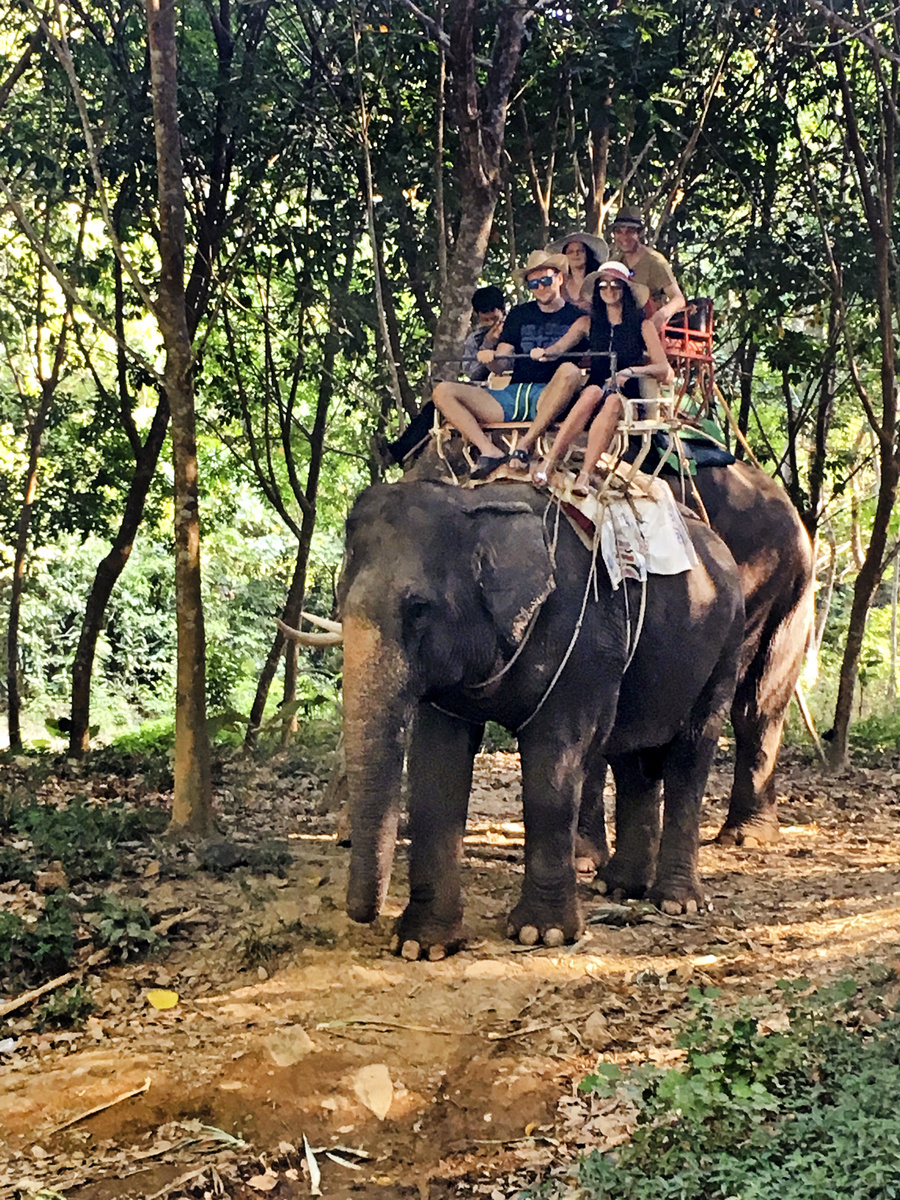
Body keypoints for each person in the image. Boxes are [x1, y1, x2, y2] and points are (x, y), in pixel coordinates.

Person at [432, 250, 587, 479]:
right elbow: (502, 364)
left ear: (560, 278)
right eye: (534, 283)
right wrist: (490, 356)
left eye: (545, 280)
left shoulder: (578, 316)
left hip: (550, 393)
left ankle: (525, 444)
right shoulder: (519, 314)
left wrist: (549, 354)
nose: (541, 287)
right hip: (513, 393)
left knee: (570, 372)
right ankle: (488, 450)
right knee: (443, 390)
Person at [531, 260, 673, 495]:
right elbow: (559, 347)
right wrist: (543, 353)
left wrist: (630, 372)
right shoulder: (588, 322)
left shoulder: (642, 325)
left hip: (626, 395)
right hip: (595, 390)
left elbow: (663, 368)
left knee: (612, 401)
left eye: (615, 285)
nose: (609, 290)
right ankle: (549, 461)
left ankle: (584, 475)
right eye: (603, 286)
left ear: (625, 290)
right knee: (592, 392)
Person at [609, 207, 685, 330]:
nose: (624, 237)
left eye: (629, 231)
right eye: (619, 231)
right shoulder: (615, 262)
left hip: (647, 325)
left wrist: (661, 315)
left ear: (639, 233)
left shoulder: (654, 261)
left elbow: (678, 299)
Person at [545, 231, 608, 310]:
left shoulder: (598, 281)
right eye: (570, 252)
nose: (576, 254)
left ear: (587, 254)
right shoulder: (559, 284)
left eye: (580, 251)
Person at [461, 286, 507, 382]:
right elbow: (473, 373)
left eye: (494, 318)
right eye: (486, 320)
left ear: (503, 311)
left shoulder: (518, 329)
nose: (491, 323)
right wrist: (487, 343)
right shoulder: (474, 339)